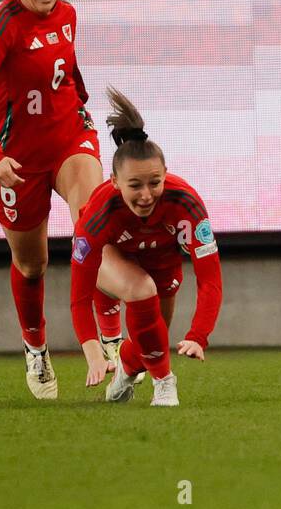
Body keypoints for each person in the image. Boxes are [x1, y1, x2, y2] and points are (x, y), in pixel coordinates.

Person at [0, 0, 107, 400]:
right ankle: (36, 347)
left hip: (69, 138)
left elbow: (67, 68)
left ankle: (113, 335)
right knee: (32, 264)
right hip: (17, 162)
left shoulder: (68, 14)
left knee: (93, 224)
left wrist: (82, 105)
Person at [69, 87, 224, 408]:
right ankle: (165, 383)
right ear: (114, 182)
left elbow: (210, 279)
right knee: (141, 289)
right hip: (113, 259)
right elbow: (79, 296)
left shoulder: (187, 204)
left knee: (149, 341)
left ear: (166, 175)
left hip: (162, 264)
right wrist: (93, 353)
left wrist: (198, 335)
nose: (146, 195)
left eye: (154, 182)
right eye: (134, 185)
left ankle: (127, 368)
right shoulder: (99, 213)